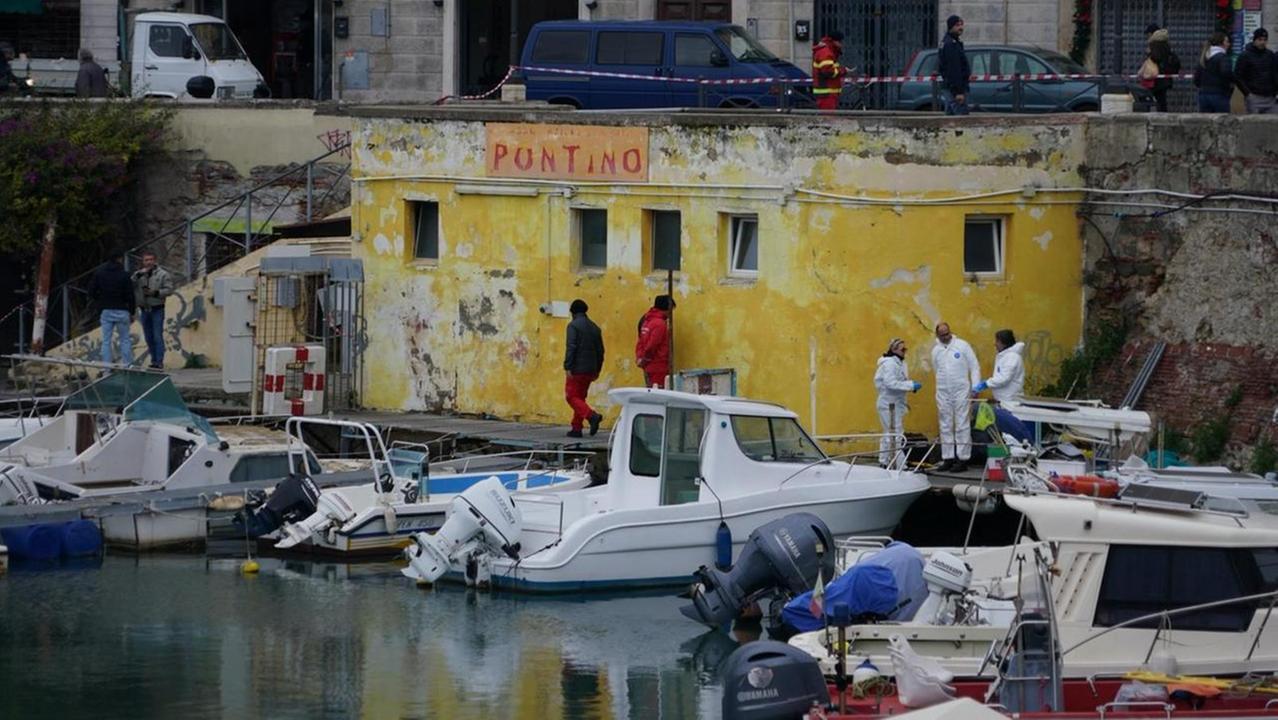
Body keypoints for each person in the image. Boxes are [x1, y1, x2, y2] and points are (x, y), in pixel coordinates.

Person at [930, 322, 980, 472]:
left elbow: (974, 366)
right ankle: (948, 457)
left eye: (947, 333)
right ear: (937, 335)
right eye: (943, 334)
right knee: (945, 424)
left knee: (962, 423)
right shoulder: (936, 351)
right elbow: (936, 370)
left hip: (961, 390)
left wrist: (975, 386)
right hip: (943, 391)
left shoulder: (962, 346)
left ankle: (963, 458)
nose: (946, 336)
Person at [874, 338, 923, 467]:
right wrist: (910, 385)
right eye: (902, 349)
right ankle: (901, 465)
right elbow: (890, 383)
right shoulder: (889, 364)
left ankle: (884, 462)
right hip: (888, 404)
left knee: (889, 433)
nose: (904, 352)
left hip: (894, 403)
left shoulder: (899, 364)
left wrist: (909, 387)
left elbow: (898, 382)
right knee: (896, 434)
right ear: (894, 349)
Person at [563, 299, 604, 438]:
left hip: (577, 368)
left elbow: (571, 347)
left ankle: (592, 416)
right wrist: (598, 368)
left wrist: (568, 366)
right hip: (591, 369)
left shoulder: (573, 326)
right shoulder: (595, 327)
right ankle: (576, 428)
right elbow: (601, 351)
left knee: (571, 397)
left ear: (572, 312)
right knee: (580, 397)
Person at [88, 255, 135, 366]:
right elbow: (130, 295)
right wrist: (131, 311)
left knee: (106, 341)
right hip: (122, 310)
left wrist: (99, 301)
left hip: (106, 310)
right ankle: (128, 366)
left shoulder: (100, 274)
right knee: (125, 340)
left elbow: (91, 291)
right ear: (120, 259)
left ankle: (106, 368)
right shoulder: (125, 275)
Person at [132, 251, 174, 369]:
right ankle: (153, 359)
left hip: (157, 309)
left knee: (157, 336)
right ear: (143, 262)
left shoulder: (162, 274)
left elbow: (169, 290)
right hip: (144, 309)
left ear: (155, 261)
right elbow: (129, 284)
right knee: (148, 337)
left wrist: (155, 293)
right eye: (146, 260)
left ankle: (159, 361)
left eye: (151, 259)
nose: (149, 262)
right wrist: (138, 275)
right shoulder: (138, 274)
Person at [974, 329, 1025, 404]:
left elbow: (1004, 378)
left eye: (997, 341)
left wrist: (986, 384)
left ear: (1004, 343)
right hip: (1004, 399)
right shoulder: (1005, 356)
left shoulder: (1012, 357)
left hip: (1010, 400)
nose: (995, 344)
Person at [1234, 28, 1278, 114]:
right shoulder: (1245, 56)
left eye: (1265, 40)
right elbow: (1238, 76)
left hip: (1270, 98)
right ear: (1254, 40)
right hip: (1254, 97)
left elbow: (1275, 73)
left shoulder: (1270, 55)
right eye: (1260, 39)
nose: (1262, 42)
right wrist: (1247, 93)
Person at [1138, 27, 1181, 112]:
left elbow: (1155, 58)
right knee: (1161, 100)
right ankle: (1162, 114)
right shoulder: (1167, 48)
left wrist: (1149, 55)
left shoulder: (1153, 47)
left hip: (1154, 79)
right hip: (1164, 79)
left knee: (1150, 99)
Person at [635, 294, 673, 388]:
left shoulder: (646, 321)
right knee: (658, 395)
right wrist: (645, 359)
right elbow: (652, 345)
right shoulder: (660, 324)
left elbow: (640, 341)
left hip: (648, 367)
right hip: (658, 366)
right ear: (667, 308)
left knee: (650, 391)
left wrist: (640, 358)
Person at [938, 15, 970, 116]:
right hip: (954, 89)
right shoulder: (950, 44)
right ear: (951, 26)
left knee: (950, 118)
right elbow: (953, 69)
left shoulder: (953, 42)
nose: (960, 27)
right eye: (957, 25)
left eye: (961, 24)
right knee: (961, 118)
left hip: (951, 87)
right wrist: (958, 92)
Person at [1194, 31, 1234, 113]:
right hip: (1219, 94)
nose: (1228, 44)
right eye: (1226, 41)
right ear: (1221, 43)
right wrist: (1229, 87)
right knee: (1222, 122)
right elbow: (1226, 73)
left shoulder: (1204, 57)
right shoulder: (1223, 57)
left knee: (1206, 123)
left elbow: (1196, 78)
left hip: (1203, 95)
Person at [811, 31, 845, 112]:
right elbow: (828, 71)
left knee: (828, 118)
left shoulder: (828, 51)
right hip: (827, 92)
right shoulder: (826, 52)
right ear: (834, 41)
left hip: (828, 92)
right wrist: (843, 71)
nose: (841, 45)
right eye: (840, 42)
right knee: (828, 119)